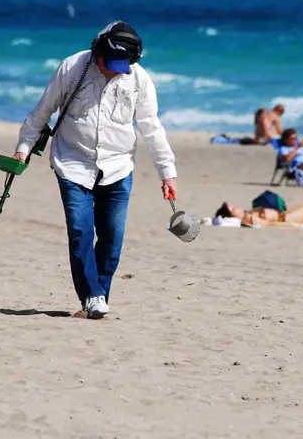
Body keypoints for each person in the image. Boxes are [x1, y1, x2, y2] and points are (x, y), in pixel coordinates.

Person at [11, 21, 178, 319]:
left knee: (112, 237)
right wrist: (23, 148)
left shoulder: (138, 79)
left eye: (122, 65)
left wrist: (167, 173)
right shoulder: (72, 68)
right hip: (72, 162)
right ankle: (93, 296)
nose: (115, 70)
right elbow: (42, 111)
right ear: (97, 51)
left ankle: (98, 295)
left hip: (118, 166)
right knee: (80, 232)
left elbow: (152, 128)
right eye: (110, 63)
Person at [214, 200, 303, 230]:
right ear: (233, 216)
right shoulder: (249, 218)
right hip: (287, 218)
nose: (237, 206)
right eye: (234, 208)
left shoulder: (248, 214)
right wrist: (292, 225)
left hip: (286, 214)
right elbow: (269, 224)